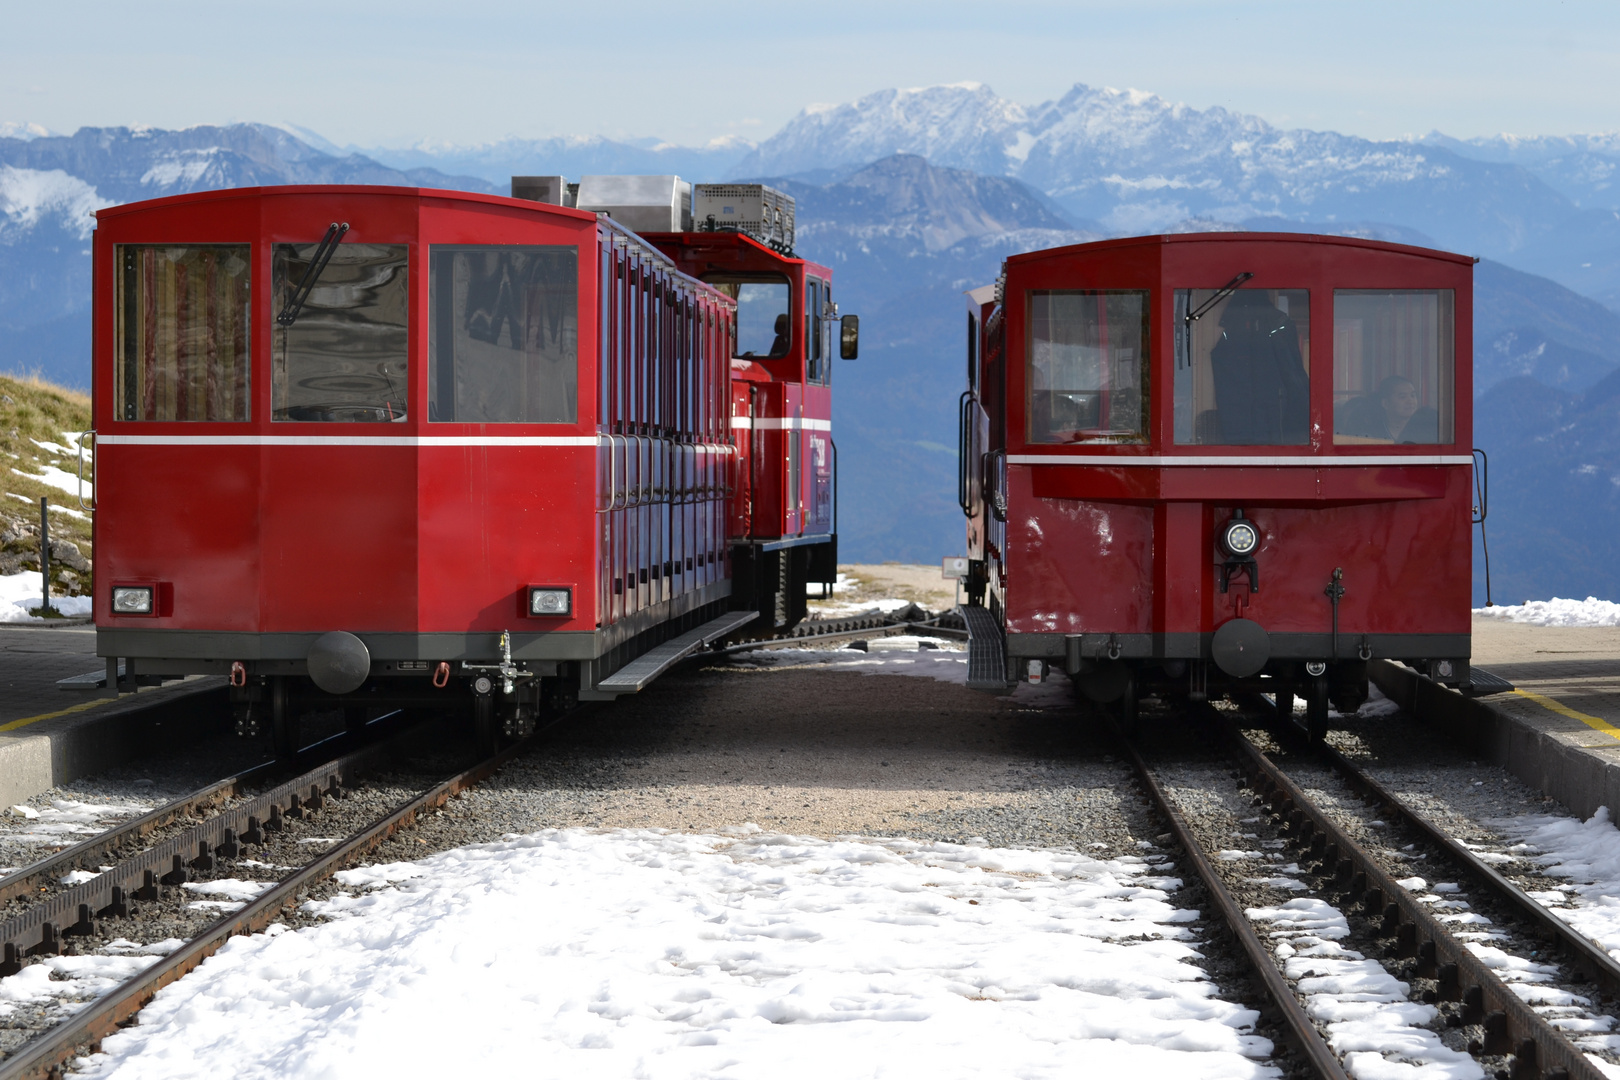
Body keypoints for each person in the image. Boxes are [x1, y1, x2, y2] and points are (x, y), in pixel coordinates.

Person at [1336, 375, 1438, 443]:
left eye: (1413, 395)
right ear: (1385, 403)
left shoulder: (1426, 428)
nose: (1410, 401)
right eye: (1402, 397)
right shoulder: (1371, 434)